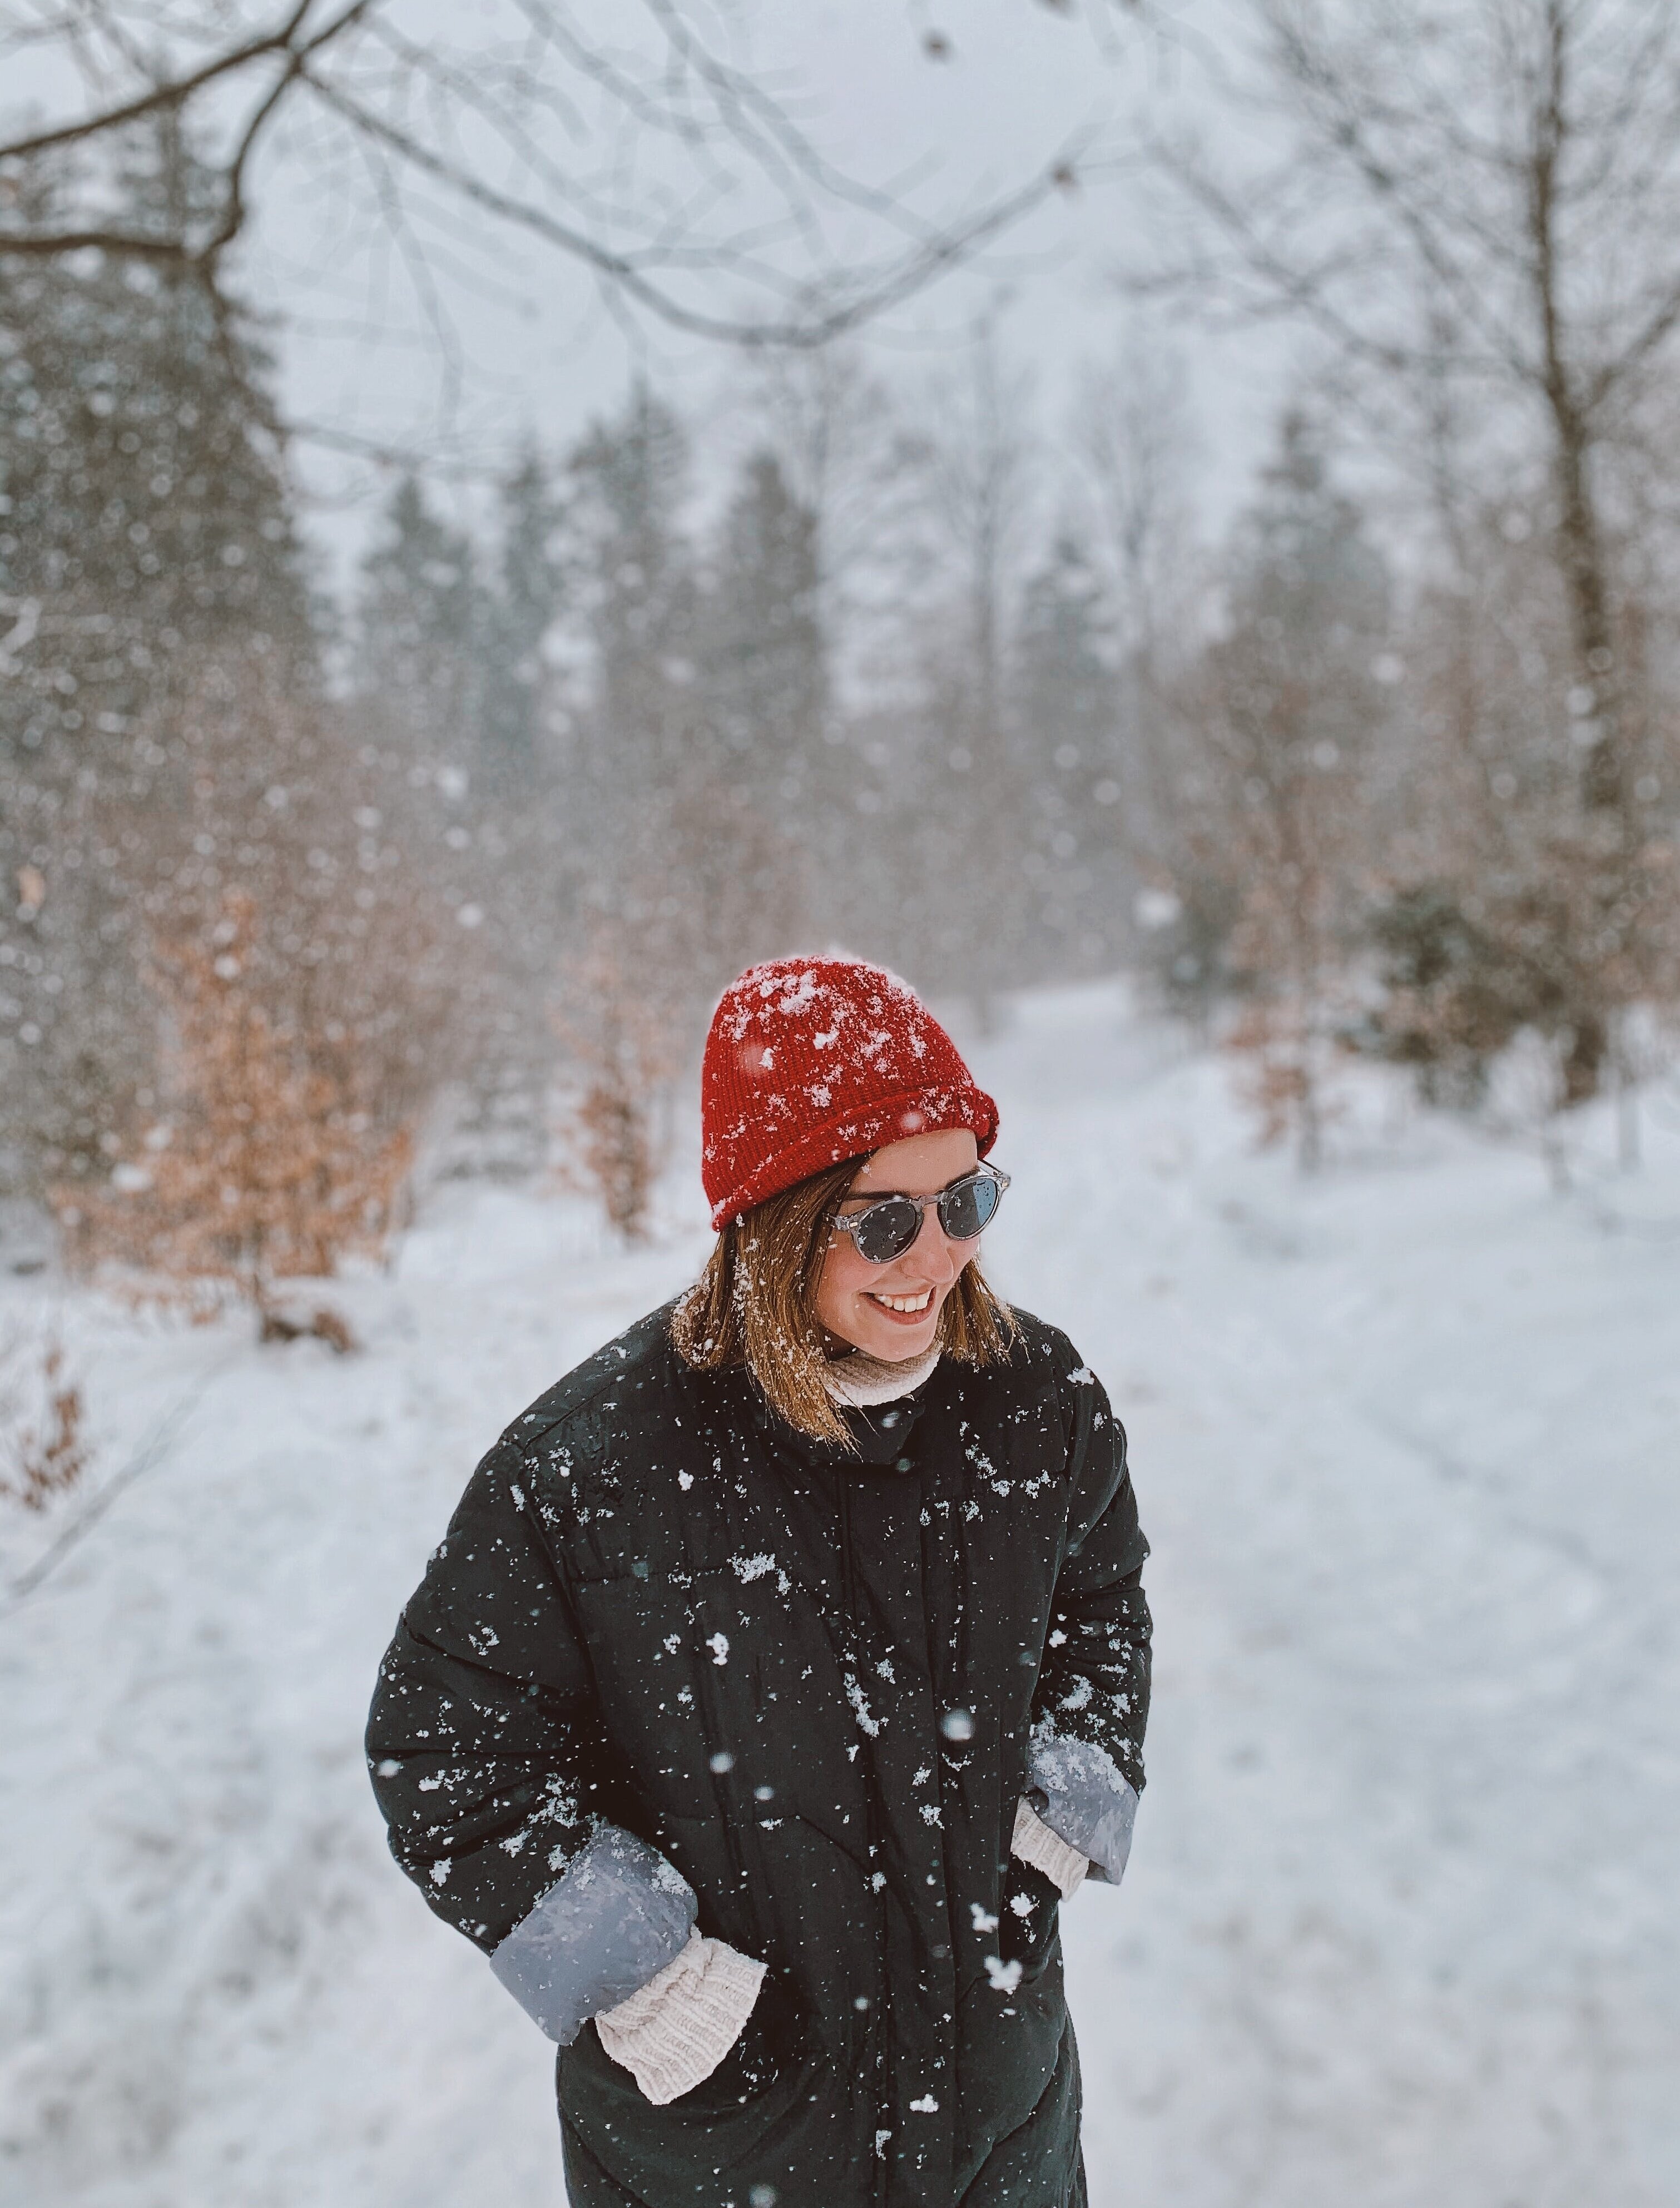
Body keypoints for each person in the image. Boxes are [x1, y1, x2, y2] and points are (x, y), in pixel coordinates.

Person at [367, 955, 1151, 2208]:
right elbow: (445, 1753)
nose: (931, 1257)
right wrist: (647, 1981)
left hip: (998, 2120)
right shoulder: (589, 1470)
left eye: (964, 1201)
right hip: (723, 2151)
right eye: (881, 1220)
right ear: (774, 1222)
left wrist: (1053, 1819)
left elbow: (1100, 1604)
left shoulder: (1031, 1400)